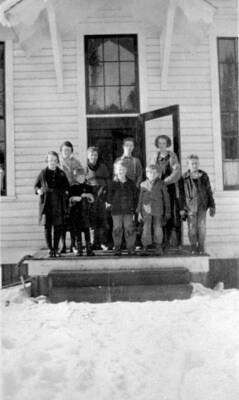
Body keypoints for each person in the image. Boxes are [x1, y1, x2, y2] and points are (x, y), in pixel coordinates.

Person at [34, 151, 69, 257]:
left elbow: (67, 187)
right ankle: (50, 249)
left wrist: (64, 194)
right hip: (46, 203)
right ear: (47, 161)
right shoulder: (43, 173)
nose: (52, 162)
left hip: (58, 203)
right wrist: (39, 191)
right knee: (47, 227)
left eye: (54, 160)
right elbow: (36, 186)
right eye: (50, 160)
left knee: (58, 227)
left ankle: (56, 248)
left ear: (57, 161)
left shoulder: (61, 173)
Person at [181, 154, 216, 254]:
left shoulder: (204, 176)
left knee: (202, 227)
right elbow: (181, 195)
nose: (195, 165)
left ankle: (201, 246)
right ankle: (193, 247)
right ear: (188, 165)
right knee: (192, 228)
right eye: (192, 163)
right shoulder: (184, 178)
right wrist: (182, 208)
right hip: (190, 207)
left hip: (202, 206)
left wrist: (212, 205)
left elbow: (209, 191)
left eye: (196, 163)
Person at [151, 134, 181, 249]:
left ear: (167, 144)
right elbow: (150, 170)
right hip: (158, 189)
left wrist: (166, 181)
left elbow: (176, 172)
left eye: (164, 143)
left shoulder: (172, 156)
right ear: (157, 145)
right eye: (159, 144)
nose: (162, 146)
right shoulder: (155, 156)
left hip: (169, 189)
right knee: (158, 212)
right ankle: (159, 242)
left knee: (169, 213)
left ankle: (169, 242)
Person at [137, 165, 171, 255]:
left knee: (157, 228)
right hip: (146, 210)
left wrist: (167, 211)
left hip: (158, 209)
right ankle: (145, 246)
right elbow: (140, 199)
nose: (151, 174)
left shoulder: (161, 183)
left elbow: (166, 199)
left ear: (157, 174)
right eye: (149, 172)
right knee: (146, 227)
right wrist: (139, 212)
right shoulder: (143, 184)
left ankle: (158, 246)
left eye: (153, 172)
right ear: (146, 174)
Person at [108, 161, 138, 256]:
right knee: (117, 228)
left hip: (128, 210)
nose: (121, 171)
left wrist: (135, 207)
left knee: (129, 228)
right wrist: (110, 203)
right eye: (119, 169)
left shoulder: (131, 183)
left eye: (123, 169)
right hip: (116, 210)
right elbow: (109, 196)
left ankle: (130, 247)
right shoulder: (112, 183)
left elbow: (135, 196)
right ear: (116, 171)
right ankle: (117, 247)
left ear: (126, 171)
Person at [59, 141, 82, 253]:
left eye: (68, 150)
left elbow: (80, 178)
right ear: (61, 151)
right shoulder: (58, 164)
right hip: (61, 194)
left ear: (71, 151)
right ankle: (63, 245)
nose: (66, 152)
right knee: (62, 221)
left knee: (74, 220)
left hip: (73, 192)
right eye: (64, 150)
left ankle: (74, 245)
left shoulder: (76, 163)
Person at [86, 147, 110, 250]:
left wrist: (107, 197)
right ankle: (93, 242)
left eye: (95, 155)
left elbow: (108, 182)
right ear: (88, 156)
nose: (94, 157)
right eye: (91, 155)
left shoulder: (103, 167)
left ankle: (102, 242)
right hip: (90, 196)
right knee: (92, 221)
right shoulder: (85, 168)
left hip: (102, 195)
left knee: (102, 219)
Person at [69, 167, 95, 256]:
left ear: (85, 177)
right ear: (75, 177)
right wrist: (74, 198)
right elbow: (69, 199)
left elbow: (92, 198)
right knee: (77, 232)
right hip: (76, 213)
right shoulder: (72, 187)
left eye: (82, 176)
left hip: (86, 213)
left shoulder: (88, 186)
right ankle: (79, 249)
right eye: (78, 177)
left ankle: (89, 249)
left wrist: (86, 195)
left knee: (87, 231)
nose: (81, 178)